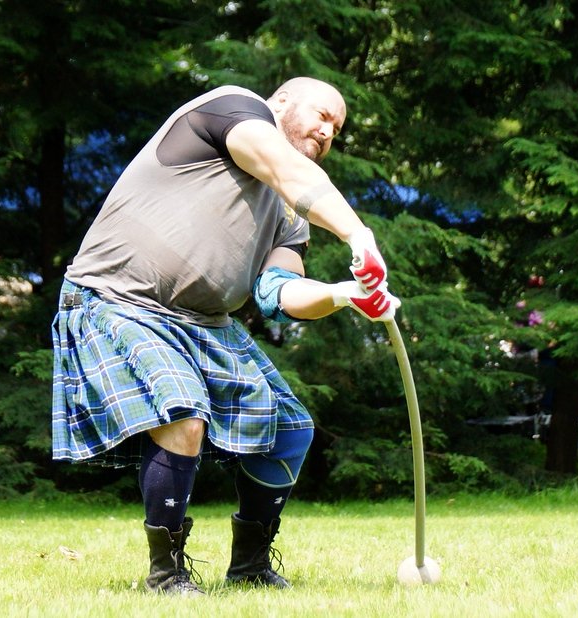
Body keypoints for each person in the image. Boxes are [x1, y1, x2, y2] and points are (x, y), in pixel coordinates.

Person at [50, 77, 400, 596]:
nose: (328, 131)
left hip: (205, 322)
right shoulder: (231, 110)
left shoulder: (289, 208)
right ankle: (166, 575)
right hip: (120, 299)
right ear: (281, 102)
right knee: (183, 413)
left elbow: (280, 293)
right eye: (322, 114)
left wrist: (345, 293)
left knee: (290, 429)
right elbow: (284, 166)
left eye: (337, 128)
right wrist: (358, 234)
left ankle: (251, 567)